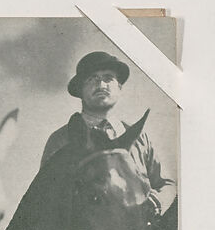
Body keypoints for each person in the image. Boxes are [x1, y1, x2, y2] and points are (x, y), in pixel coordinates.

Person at [41, 51, 176, 219]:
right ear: (80, 91)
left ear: (119, 88)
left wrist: (158, 201)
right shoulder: (61, 139)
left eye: (108, 78)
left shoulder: (140, 137)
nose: (101, 84)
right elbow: (45, 195)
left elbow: (167, 183)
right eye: (92, 78)